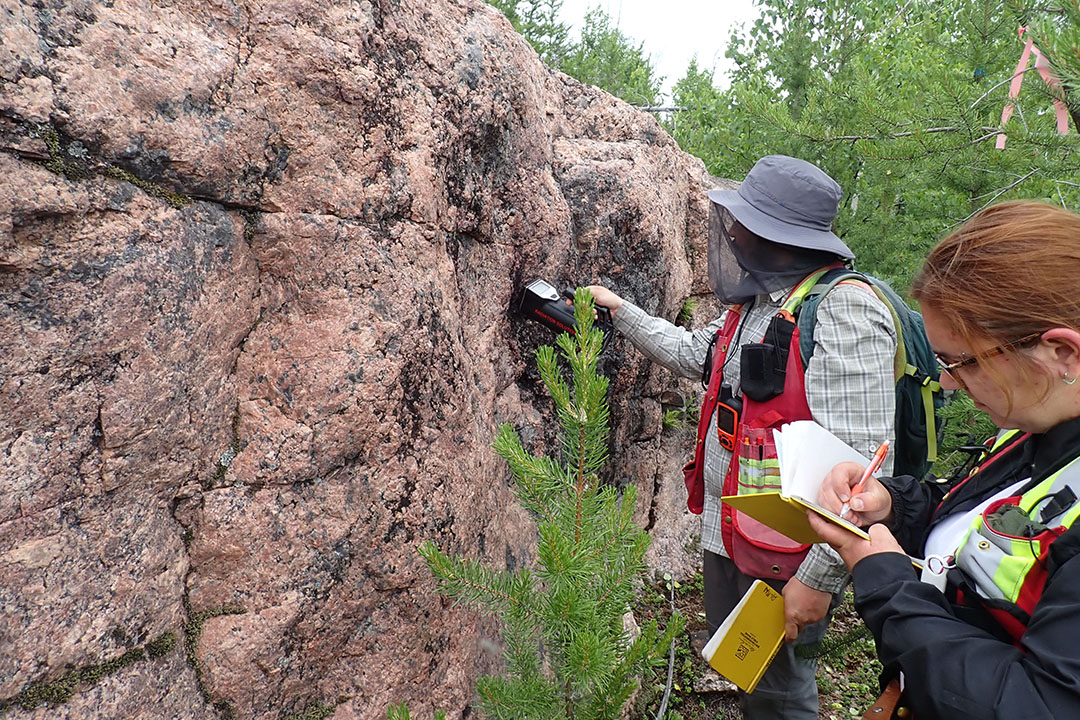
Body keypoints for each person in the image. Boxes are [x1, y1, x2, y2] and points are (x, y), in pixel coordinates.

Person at [586, 155, 897, 719]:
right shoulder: (756, 304)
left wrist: (817, 579)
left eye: (746, 223)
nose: (732, 233)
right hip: (733, 532)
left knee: (781, 692)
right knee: (746, 668)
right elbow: (695, 355)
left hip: (790, 555)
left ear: (781, 236)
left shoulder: (842, 309)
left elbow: (866, 471)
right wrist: (621, 312)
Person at [810, 200, 1080, 719]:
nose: (948, 381)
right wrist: (892, 502)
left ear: (1061, 353)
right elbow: (982, 513)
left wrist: (885, 581)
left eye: (963, 361)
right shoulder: (1039, 424)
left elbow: (1038, 705)